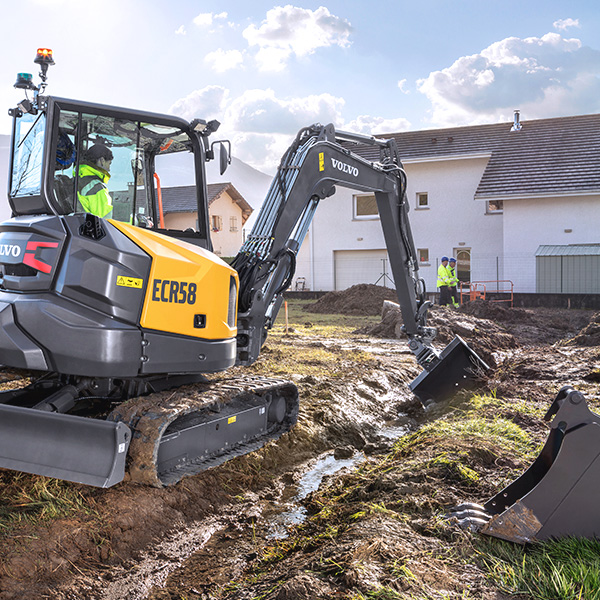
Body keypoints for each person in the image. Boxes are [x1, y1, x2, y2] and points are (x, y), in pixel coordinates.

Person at [77, 144, 114, 218]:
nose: (109, 169)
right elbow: (105, 223)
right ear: (102, 161)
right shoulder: (97, 188)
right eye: (109, 163)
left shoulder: (78, 179)